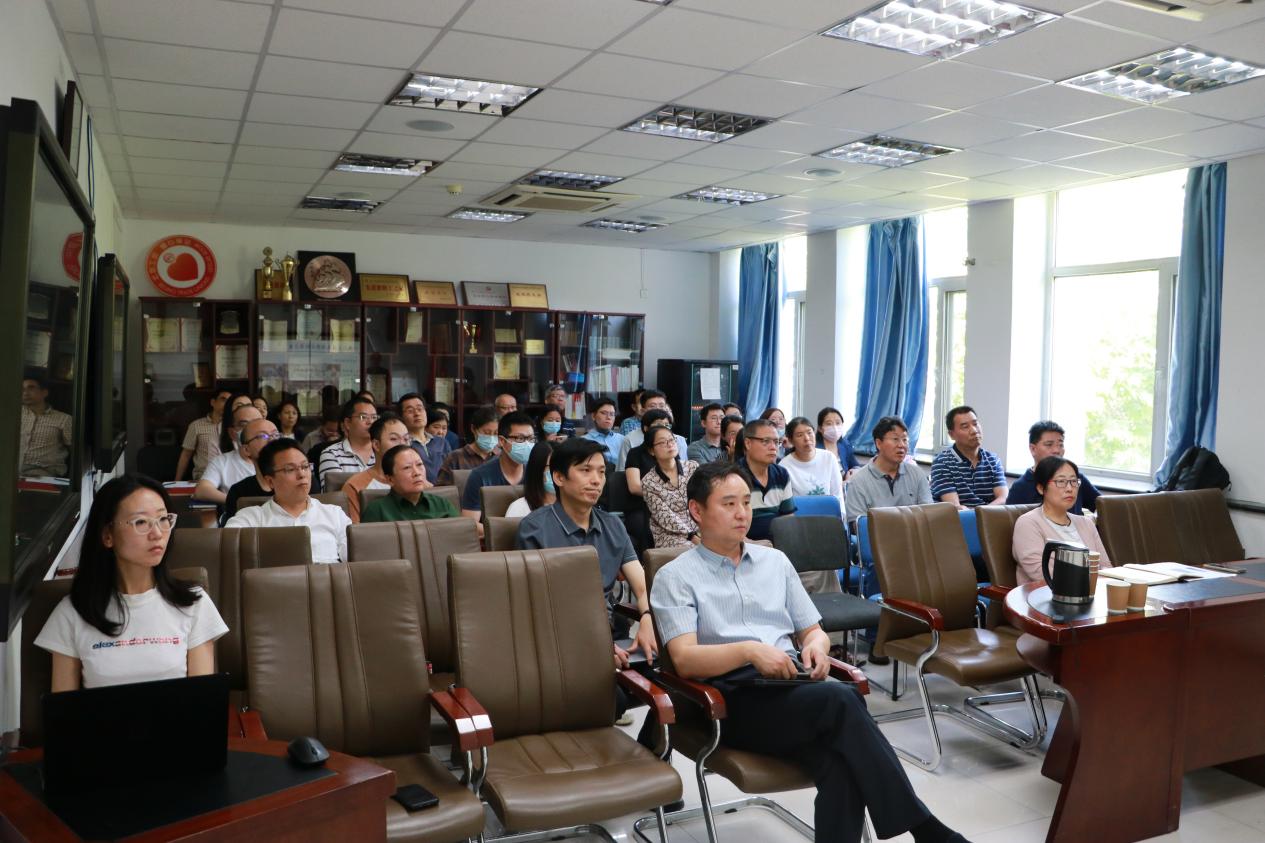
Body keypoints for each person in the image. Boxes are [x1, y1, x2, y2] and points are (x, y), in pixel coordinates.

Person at [650, 462, 969, 843]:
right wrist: (750, 651)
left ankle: (927, 832)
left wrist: (817, 648)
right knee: (843, 699)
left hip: (791, 687)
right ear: (697, 510)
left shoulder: (775, 562)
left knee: (839, 760)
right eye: (728, 504)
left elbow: (812, 631)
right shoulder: (676, 576)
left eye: (746, 503)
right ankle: (927, 830)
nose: (742, 513)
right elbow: (684, 659)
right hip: (729, 701)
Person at [35, 475, 228, 690]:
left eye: (163, 519)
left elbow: (201, 701)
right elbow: (64, 707)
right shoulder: (73, 613)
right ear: (107, 535)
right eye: (141, 522)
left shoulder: (193, 603)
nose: (157, 533)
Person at [517, 438, 657, 668]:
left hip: (610, 634)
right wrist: (596, 647)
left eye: (601, 472)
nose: (596, 480)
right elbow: (539, 606)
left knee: (665, 671)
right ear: (559, 477)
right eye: (585, 470)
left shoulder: (613, 525)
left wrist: (647, 619)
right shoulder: (534, 529)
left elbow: (642, 587)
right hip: (559, 642)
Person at [225, 440, 351, 563]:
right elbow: (226, 548)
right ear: (270, 481)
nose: (302, 474)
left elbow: (354, 559)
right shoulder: (251, 519)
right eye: (290, 469)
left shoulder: (334, 514)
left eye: (305, 467)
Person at [1012, 456, 1112, 586]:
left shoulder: (1086, 523)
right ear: (1041, 488)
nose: (1070, 488)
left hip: (1093, 593)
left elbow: (1107, 568)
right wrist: (1091, 580)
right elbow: (1040, 574)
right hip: (1046, 595)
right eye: (1061, 481)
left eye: (1073, 481)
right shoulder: (1028, 523)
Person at [461, 411, 535, 533]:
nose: (527, 444)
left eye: (531, 439)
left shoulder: (536, 472)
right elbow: (469, 522)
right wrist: (502, 534)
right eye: (520, 438)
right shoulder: (480, 476)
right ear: (502, 441)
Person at [1007, 421, 1101, 514]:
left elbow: (1103, 506)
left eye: (1060, 445)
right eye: (1049, 445)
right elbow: (1010, 521)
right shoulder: (1020, 487)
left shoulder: (1075, 478)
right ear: (1033, 449)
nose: (1057, 450)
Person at [930, 406, 1007, 509]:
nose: (974, 430)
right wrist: (982, 514)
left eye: (975, 424)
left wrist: (983, 514)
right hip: (959, 518)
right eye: (965, 427)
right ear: (951, 434)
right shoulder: (942, 463)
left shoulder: (993, 460)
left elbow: (1003, 498)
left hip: (988, 516)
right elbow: (955, 507)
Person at [362, 444, 460, 523]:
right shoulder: (377, 511)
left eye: (419, 464)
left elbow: (460, 537)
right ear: (390, 479)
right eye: (407, 468)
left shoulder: (442, 504)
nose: (417, 473)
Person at [344, 413, 414, 523]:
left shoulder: (419, 480)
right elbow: (355, 530)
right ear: (376, 445)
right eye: (394, 438)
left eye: (406, 439)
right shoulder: (355, 486)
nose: (402, 445)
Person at [623, 409, 675, 554]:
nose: (663, 428)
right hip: (641, 507)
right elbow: (634, 487)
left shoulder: (672, 453)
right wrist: (663, 494)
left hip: (670, 506)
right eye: (659, 424)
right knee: (650, 528)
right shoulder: (636, 453)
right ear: (646, 429)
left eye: (667, 425)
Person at [735, 418, 796, 540]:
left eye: (776, 442)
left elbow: (788, 518)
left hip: (777, 543)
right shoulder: (733, 476)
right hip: (744, 544)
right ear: (748, 443)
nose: (773, 447)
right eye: (766, 441)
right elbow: (728, 525)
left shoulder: (781, 474)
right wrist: (751, 545)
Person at [642, 425, 700, 548]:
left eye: (671, 439)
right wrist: (691, 536)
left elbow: (704, 500)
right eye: (662, 442)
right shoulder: (648, 482)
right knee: (692, 549)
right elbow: (664, 516)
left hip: (700, 526)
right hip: (669, 534)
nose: (669, 444)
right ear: (651, 450)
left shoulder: (693, 467)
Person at [195, 402, 263, 505]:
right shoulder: (221, 462)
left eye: (257, 423)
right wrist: (238, 502)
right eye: (244, 425)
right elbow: (202, 490)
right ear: (232, 433)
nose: (251, 429)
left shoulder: (280, 458)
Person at [221, 416, 281, 521]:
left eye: (276, 435)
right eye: (262, 436)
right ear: (246, 449)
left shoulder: (302, 480)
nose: (272, 440)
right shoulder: (239, 491)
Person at [779, 417, 844, 512]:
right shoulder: (784, 466)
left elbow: (838, 495)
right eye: (800, 435)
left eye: (809, 432)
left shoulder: (829, 458)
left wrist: (841, 517)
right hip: (799, 517)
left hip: (829, 516)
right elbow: (786, 505)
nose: (807, 438)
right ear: (791, 441)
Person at [617, 390, 687, 471]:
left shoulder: (679, 440)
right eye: (652, 406)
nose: (658, 409)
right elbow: (622, 472)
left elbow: (684, 471)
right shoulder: (630, 440)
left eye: (661, 406)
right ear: (642, 411)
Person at [19, 375, 74, 478]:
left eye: (31, 388)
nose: (25, 393)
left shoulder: (64, 419)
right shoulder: (14, 414)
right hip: (12, 470)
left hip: (43, 472)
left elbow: (75, 451)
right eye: (22, 389)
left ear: (44, 392)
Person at [317, 397, 378, 489]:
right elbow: (335, 493)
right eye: (363, 417)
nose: (370, 422)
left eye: (374, 417)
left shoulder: (384, 452)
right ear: (348, 423)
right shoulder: (331, 454)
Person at [175, 388, 230, 481]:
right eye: (223, 399)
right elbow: (186, 455)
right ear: (213, 402)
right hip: (204, 476)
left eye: (229, 401)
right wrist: (177, 481)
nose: (227, 404)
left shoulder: (233, 426)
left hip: (229, 476)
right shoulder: (196, 425)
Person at [436, 405, 498, 486]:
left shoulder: (501, 457)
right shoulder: (455, 457)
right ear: (473, 429)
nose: (491, 437)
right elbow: (442, 489)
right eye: (486, 433)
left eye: (496, 433)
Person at [399, 393, 450, 484]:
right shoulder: (402, 444)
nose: (417, 413)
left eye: (420, 409)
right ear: (401, 417)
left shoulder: (442, 442)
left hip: (444, 490)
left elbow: (451, 470)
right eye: (410, 411)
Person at [506, 441, 556, 517]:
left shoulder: (573, 506)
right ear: (537, 470)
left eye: (562, 467)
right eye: (551, 467)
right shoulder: (519, 508)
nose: (558, 473)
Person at [817, 406, 859, 480]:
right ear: (820, 428)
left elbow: (855, 465)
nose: (835, 427)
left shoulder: (845, 444)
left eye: (838, 423)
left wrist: (854, 470)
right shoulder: (815, 449)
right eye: (829, 424)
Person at [583, 397, 624, 465]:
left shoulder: (622, 439)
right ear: (593, 416)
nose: (608, 417)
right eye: (604, 413)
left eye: (612, 414)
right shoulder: (584, 441)